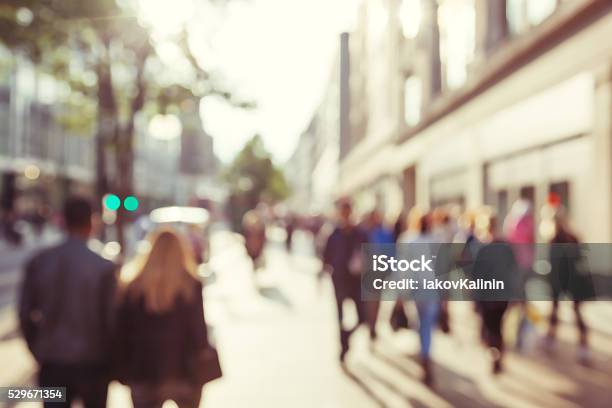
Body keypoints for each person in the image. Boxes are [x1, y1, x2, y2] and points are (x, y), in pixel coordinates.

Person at [19, 197, 117, 408]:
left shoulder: (40, 261)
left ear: (63, 221)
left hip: (53, 361)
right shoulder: (103, 267)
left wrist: (37, 346)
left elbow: (25, 313)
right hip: (94, 363)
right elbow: (112, 319)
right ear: (91, 223)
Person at [114, 228, 211, 408]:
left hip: (143, 370)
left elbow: (121, 332)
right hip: (183, 370)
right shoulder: (191, 285)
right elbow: (199, 332)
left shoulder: (133, 286)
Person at [323, 200, 368, 362]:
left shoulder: (360, 233)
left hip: (356, 281)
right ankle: (342, 345)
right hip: (340, 279)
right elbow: (326, 256)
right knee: (340, 315)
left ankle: (346, 335)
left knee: (363, 317)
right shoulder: (333, 233)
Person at [398, 213, 439, 385]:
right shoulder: (435, 241)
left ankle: (424, 354)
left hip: (418, 288)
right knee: (426, 324)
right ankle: (425, 353)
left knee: (422, 323)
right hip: (428, 288)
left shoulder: (409, 240)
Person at [545, 208, 590, 364]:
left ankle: (582, 347)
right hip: (565, 280)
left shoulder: (563, 239)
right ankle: (552, 340)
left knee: (571, 311)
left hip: (568, 280)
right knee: (558, 310)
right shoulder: (564, 238)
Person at [472, 216, 516, 374]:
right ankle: (497, 353)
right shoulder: (505, 246)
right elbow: (513, 269)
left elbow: (476, 274)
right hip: (502, 294)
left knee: (491, 328)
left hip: (488, 295)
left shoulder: (482, 248)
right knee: (498, 327)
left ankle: (494, 353)